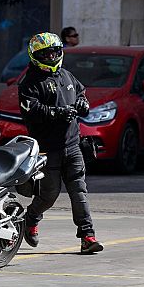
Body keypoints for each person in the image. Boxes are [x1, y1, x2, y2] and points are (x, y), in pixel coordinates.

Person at [18, 32, 103, 254]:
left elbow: (81, 92)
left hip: (73, 145)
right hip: (47, 149)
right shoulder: (29, 82)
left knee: (79, 190)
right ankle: (31, 218)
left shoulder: (67, 76)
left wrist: (83, 103)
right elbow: (31, 109)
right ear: (35, 56)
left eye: (55, 52)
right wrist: (56, 113)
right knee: (49, 194)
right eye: (45, 53)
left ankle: (87, 236)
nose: (51, 56)